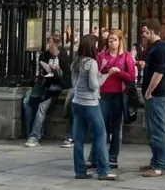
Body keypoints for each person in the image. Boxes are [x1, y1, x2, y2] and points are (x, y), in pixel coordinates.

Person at [70, 33, 118, 180]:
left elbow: (75, 83)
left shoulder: (76, 61)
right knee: (101, 135)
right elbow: (94, 85)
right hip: (90, 103)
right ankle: (104, 170)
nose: (98, 47)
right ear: (91, 46)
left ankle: (79, 170)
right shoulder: (91, 63)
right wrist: (107, 74)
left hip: (77, 102)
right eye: (96, 44)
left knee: (78, 138)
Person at [94, 29, 135, 170]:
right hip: (104, 94)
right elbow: (96, 73)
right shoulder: (101, 56)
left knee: (116, 127)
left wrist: (119, 72)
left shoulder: (126, 56)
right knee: (101, 126)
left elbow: (131, 77)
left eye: (115, 39)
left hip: (118, 95)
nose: (112, 42)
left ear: (120, 41)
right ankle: (99, 156)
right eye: (110, 39)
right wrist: (105, 69)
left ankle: (113, 156)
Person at [140, 18, 165, 177]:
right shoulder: (153, 48)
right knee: (151, 130)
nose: (143, 35)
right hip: (152, 94)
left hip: (156, 95)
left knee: (158, 129)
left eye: (145, 31)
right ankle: (155, 162)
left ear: (153, 31)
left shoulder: (161, 49)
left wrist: (149, 91)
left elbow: (159, 73)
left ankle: (161, 165)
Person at [23, 35, 68, 147]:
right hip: (44, 84)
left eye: (52, 43)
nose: (50, 45)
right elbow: (42, 70)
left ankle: (35, 135)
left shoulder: (63, 55)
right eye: (49, 43)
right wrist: (47, 69)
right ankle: (30, 131)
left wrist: (57, 69)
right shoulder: (44, 55)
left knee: (42, 107)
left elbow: (65, 76)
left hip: (55, 87)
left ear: (57, 44)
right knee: (28, 102)